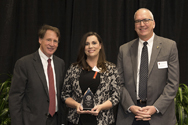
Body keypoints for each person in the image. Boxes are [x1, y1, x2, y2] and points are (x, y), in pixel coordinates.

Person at [116, 8, 179, 125]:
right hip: (130, 115)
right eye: (138, 21)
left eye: (146, 20)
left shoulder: (169, 46)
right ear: (134, 26)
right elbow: (119, 83)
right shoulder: (124, 50)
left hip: (160, 116)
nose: (142, 24)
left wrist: (155, 107)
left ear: (153, 23)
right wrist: (131, 106)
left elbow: (173, 84)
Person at [9, 24, 66, 125]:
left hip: (56, 120)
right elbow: (15, 99)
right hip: (32, 121)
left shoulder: (60, 63)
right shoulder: (24, 63)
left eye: (55, 41)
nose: (52, 44)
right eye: (48, 40)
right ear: (40, 40)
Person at [61, 32, 120, 125]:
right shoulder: (73, 68)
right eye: (87, 44)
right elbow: (65, 95)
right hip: (76, 120)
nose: (90, 46)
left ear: (100, 46)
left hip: (103, 121)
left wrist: (100, 107)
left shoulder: (111, 69)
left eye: (94, 43)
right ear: (83, 47)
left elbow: (116, 96)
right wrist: (77, 105)